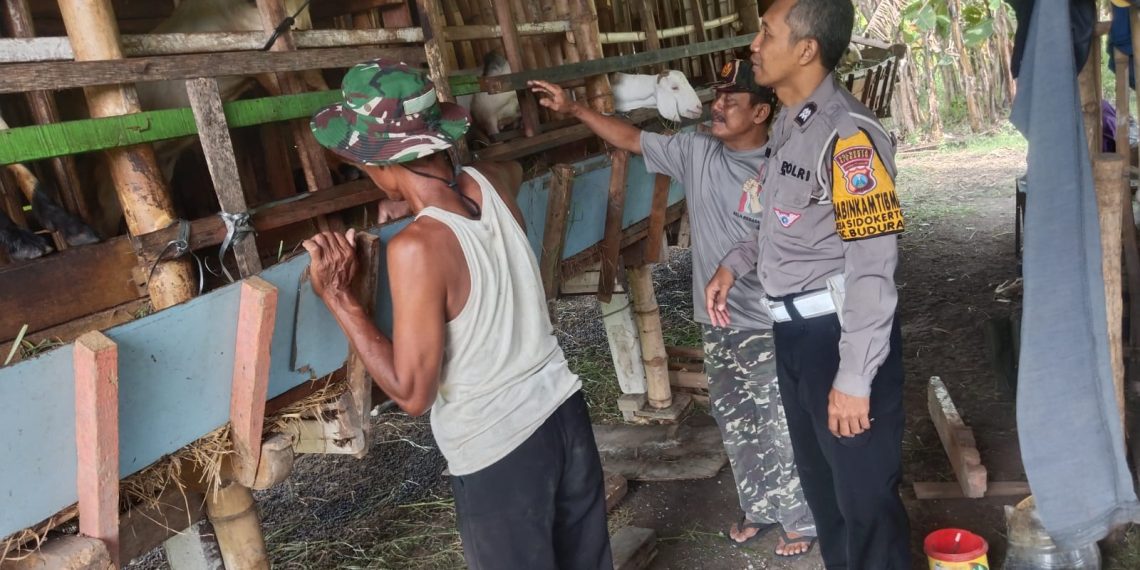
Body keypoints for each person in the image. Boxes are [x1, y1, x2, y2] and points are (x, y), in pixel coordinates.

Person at [303, 59, 613, 570]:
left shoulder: (416, 249)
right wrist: (415, 196)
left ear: (382, 165)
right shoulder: (495, 181)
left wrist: (340, 297)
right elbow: (497, 173)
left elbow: (412, 393)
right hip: (564, 413)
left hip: (501, 449)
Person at [529, 59, 817, 558]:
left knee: (779, 418)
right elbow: (630, 139)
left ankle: (802, 518)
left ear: (761, 112)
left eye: (731, 100)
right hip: (719, 319)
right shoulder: (696, 150)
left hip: (769, 318)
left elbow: (797, 241)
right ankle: (762, 508)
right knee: (735, 417)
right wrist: (574, 107)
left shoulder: (786, 165)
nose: (717, 106)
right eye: (717, 96)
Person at [706, 1, 911, 567]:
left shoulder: (850, 139)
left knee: (865, 504)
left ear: (805, 49)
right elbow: (784, 226)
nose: (754, 44)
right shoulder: (792, 129)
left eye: (766, 32)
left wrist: (854, 377)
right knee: (827, 500)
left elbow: (872, 265)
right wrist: (734, 262)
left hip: (839, 338)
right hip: (793, 338)